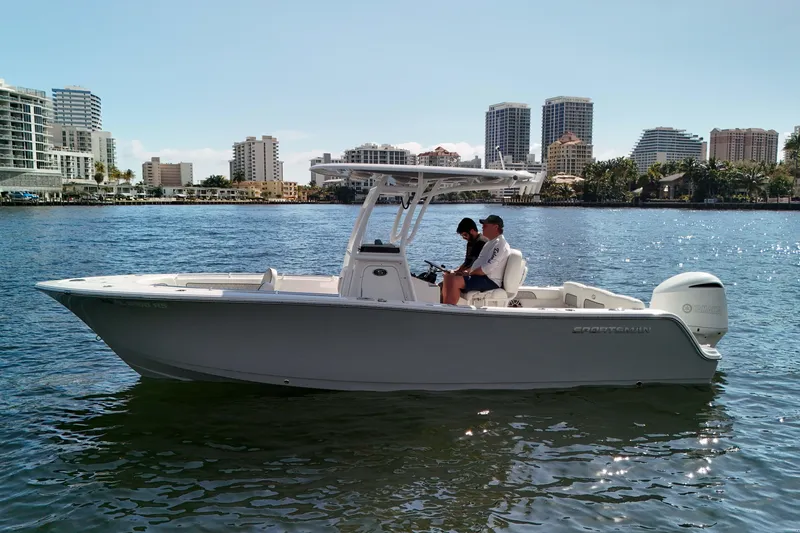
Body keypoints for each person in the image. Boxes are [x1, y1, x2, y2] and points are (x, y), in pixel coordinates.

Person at [441, 215, 510, 305]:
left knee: (455, 280)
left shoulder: (500, 245)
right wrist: (463, 272)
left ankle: (448, 311)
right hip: (481, 277)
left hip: (490, 280)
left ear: (495, 227)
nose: (482, 227)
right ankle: (444, 306)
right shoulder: (490, 243)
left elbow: (487, 268)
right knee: (449, 277)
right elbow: (478, 263)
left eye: (485, 225)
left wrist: (469, 273)